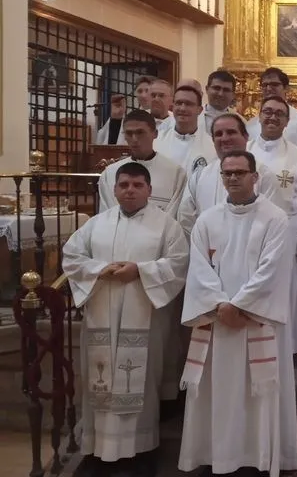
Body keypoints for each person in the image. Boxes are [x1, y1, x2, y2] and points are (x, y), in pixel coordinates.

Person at [63, 162, 189, 477]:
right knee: (100, 383)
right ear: (114, 189)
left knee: (141, 383)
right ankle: (96, 450)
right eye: (123, 185)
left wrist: (140, 270)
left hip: (144, 318)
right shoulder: (95, 224)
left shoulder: (166, 226)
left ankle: (140, 452)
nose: (129, 190)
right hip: (101, 318)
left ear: (148, 189)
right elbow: (72, 257)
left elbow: (178, 264)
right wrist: (98, 270)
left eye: (136, 185)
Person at [178, 150, 296, 477]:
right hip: (218, 322)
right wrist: (219, 305)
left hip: (254, 322)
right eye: (227, 173)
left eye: (240, 173)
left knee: (255, 392)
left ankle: (255, 459)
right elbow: (199, 269)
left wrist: (238, 306)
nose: (232, 178)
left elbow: (273, 270)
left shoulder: (275, 218)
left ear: (255, 177)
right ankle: (216, 456)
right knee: (216, 393)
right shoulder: (208, 219)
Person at [247, 95, 297, 354]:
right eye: (267, 111)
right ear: (259, 115)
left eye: (279, 113)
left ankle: (285, 346)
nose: (272, 117)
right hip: (247, 232)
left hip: (287, 234)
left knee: (284, 290)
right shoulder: (245, 152)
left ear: (287, 121)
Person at [177, 113, 280, 239]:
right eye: (219, 134)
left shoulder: (264, 175)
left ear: (246, 136)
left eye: (231, 132)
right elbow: (186, 217)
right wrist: (203, 245)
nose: (225, 138)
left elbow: (273, 222)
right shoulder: (200, 176)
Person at [99, 109, 187, 216]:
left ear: (155, 134)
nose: (134, 139)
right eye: (129, 133)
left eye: (140, 132)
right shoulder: (110, 174)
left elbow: (172, 221)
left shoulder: (175, 173)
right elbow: (107, 216)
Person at [154, 85, 217, 177]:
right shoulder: (157, 142)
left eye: (188, 104)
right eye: (178, 103)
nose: (182, 108)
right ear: (173, 107)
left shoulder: (212, 147)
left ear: (199, 110)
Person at [246, 67, 297, 150]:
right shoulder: (250, 125)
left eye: (274, 84)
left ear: (286, 88)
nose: (269, 88)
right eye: (265, 85)